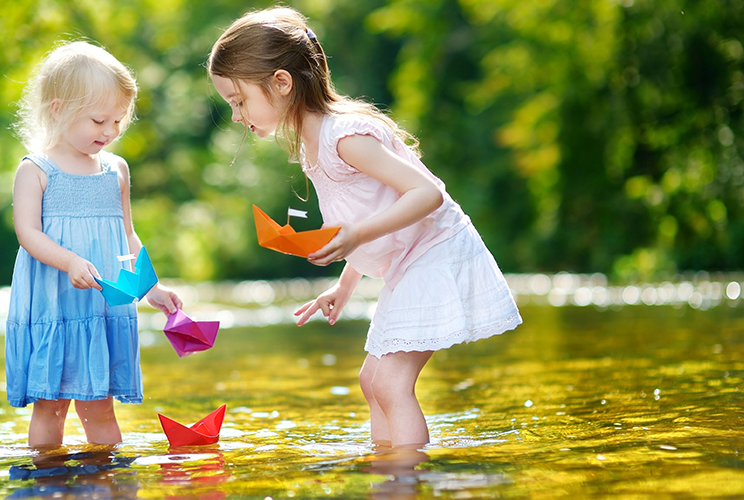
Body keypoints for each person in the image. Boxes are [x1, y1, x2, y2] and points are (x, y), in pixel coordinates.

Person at [208, 7, 521, 448]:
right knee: (372, 380)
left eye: (239, 101)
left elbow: (427, 194)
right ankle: (388, 475)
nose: (237, 116)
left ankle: (404, 480)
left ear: (281, 82)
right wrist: (346, 283)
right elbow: (364, 217)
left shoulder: (344, 136)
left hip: (438, 250)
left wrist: (355, 239)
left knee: (392, 384)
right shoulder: (310, 147)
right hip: (409, 260)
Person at [7, 40, 182, 448]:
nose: (110, 131)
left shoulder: (115, 170)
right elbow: (27, 233)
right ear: (58, 110)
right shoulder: (35, 170)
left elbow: (127, 237)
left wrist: (150, 286)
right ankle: (47, 483)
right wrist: (69, 262)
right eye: (99, 120)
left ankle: (109, 481)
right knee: (50, 406)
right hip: (56, 303)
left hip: (100, 308)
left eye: (118, 121)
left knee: (101, 406)